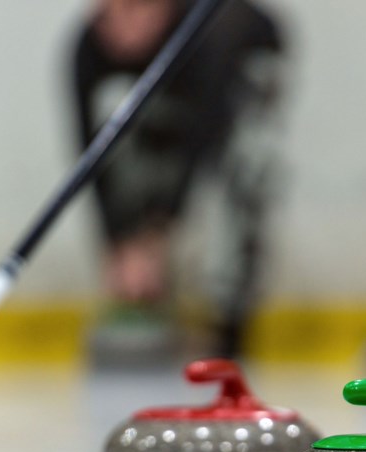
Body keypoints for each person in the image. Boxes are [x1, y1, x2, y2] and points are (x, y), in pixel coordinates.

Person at [67, 0, 286, 360]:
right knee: (123, 130)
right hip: (178, 81)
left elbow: (203, 143)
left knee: (241, 175)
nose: (125, 29)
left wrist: (158, 233)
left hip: (242, 59)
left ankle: (231, 331)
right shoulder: (87, 45)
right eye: (113, 13)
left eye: (139, 11)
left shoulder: (208, 34)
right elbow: (90, 156)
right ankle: (155, 301)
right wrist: (117, 241)